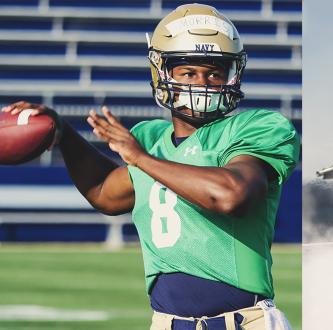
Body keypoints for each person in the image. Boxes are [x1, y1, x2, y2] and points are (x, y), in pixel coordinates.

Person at [2, 4, 299, 329]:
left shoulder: (259, 126)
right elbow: (106, 194)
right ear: (163, 72)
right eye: (188, 72)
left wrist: (140, 158)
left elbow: (232, 195)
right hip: (167, 322)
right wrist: (63, 134)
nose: (202, 83)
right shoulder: (150, 137)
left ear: (232, 74)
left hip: (244, 321)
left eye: (214, 73)